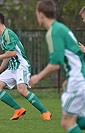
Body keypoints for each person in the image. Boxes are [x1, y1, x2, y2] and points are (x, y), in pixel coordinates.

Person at [0, 11, 52, 120]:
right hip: (12, 67)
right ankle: (18, 109)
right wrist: (0, 69)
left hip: (21, 65)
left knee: (22, 90)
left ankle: (45, 112)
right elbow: (8, 55)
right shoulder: (1, 37)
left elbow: (12, 53)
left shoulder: (8, 34)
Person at [29, 0, 85, 133]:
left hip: (77, 81)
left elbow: (55, 64)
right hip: (78, 78)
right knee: (75, 120)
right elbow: (76, 57)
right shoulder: (60, 28)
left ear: (41, 14)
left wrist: (38, 77)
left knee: (67, 123)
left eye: (37, 13)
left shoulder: (54, 31)